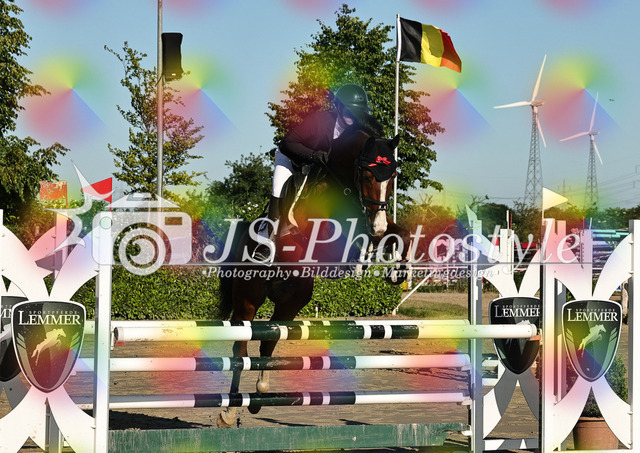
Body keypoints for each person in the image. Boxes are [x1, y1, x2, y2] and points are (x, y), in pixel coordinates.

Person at [253, 83, 377, 262]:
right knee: (279, 189)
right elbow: (287, 144)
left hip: (318, 165)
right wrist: (313, 155)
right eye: (349, 111)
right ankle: (267, 241)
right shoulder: (319, 121)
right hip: (290, 158)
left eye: (357, 112)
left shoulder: (357, 132)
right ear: (338, 107)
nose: (353, 116)